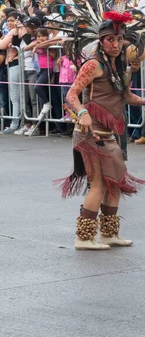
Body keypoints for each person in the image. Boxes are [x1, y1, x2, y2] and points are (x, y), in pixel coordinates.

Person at [61, 13, 145, 250]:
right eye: (111, 39)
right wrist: (83, 113)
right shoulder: (93, 64)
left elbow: (125, 95)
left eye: (119, 40)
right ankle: (84, 237)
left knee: (114, 184)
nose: (116, 44)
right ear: (101, 40)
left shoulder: (116, 65)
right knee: (97, 185)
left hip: (108, 136)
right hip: (90, 135)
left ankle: (109, 234)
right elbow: (71, 95)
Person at [0, 12, 26, 134]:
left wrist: (2, 40)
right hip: (14, 65)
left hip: (15, 65)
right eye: (8, 20)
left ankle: (15, 124)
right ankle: (19, 123)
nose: (9, 23)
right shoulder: (16, 32)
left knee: (15, 98)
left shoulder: (15, 32)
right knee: (18, 97)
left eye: (12, 20)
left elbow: (0, 45)